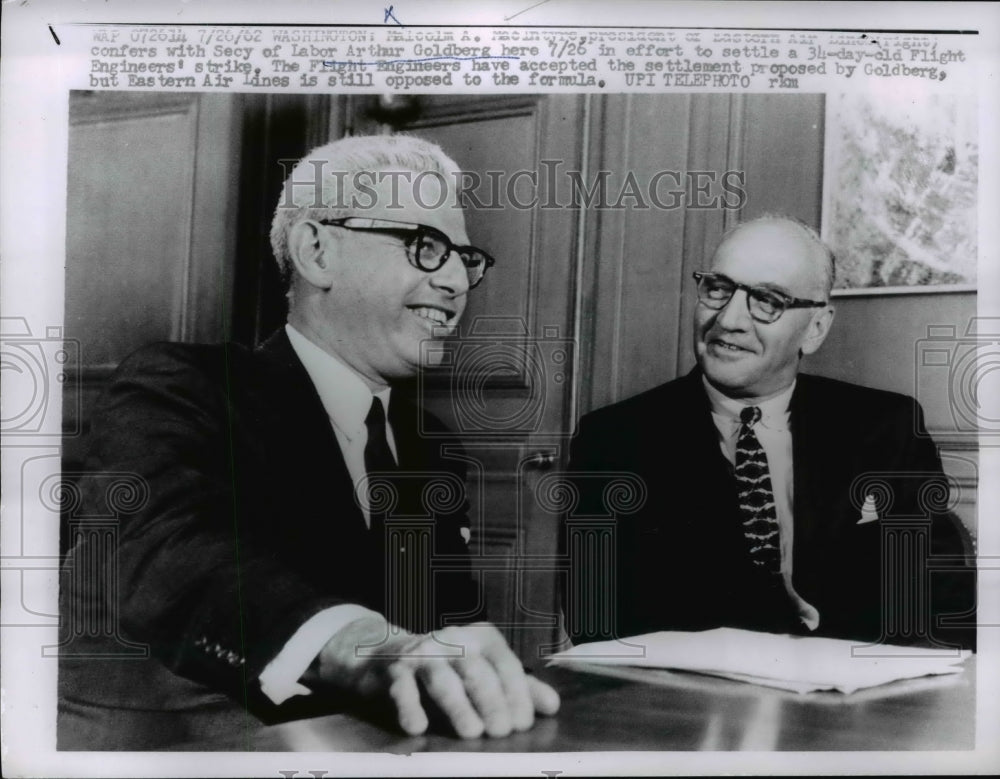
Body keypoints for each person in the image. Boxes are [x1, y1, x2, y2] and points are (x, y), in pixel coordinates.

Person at [58, 134, 559, 750]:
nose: (458, 280)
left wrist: (482, 680)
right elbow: (166, 555)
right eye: (427, 247)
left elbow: (443, 635)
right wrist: (359, 646)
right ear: (317, 252)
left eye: (465, 257)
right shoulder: (182, 388)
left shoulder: (434, 450)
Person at [563, 215, 975, 650]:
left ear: (815, 328)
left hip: (850, 705)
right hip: (686, 706)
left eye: (767, 300)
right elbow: (597, 620)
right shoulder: (613, 439)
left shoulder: (887, 428)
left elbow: (942, 605)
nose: (730, 320)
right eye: (718, 288)